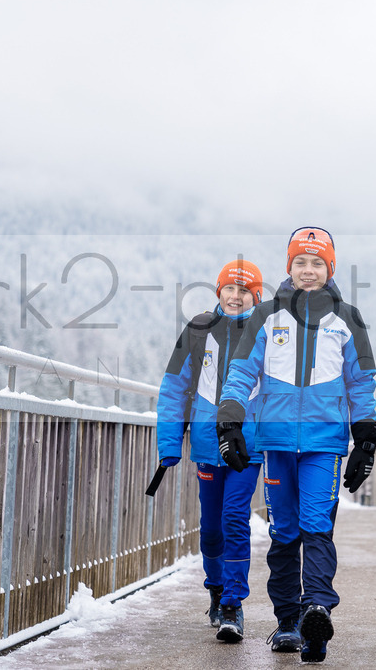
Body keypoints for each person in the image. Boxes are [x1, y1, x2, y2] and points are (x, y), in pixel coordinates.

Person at [215, 226, 376, 663]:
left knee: (316, 525)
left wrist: (365, 437)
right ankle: (288, 621)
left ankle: (317, 610)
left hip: (325, 444)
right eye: (300, 263)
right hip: (277, 442)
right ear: (289, 267)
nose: (309, 271)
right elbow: (241, 371)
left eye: (317, 263)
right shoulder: (266, 315)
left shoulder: (349, 319)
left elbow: (362, 382)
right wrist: (230, 420)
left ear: (330, 268)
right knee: (284, 532)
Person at [156, 259, 265, 644]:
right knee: (211, 526)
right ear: (219, 291)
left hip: (249, 445)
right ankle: (216, 590)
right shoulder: (199, 328)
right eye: (229, 289)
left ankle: (233, 604)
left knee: (236, 517)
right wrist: (169, 442)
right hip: (206, 443)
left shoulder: (266, 329)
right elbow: (173, 387)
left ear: (257, 294)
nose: (235, 297)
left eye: (244, 290)